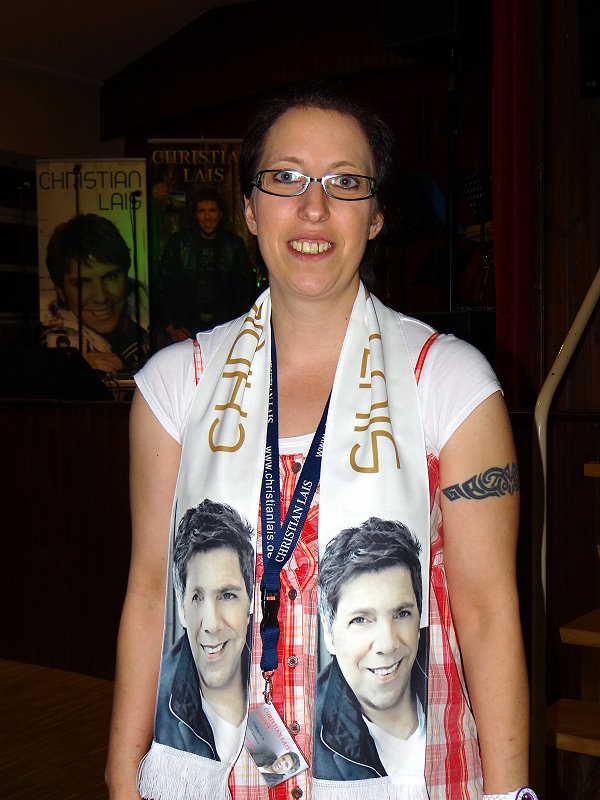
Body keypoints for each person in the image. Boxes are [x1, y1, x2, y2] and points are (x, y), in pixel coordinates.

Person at [106, 84, 532, 800]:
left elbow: (489, 613)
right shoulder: (176, 387)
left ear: (377, 214)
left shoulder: (449, 382)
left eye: (344, 182)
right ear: (249, 207)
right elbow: (152, 591)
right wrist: (124, 773)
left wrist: (512, 794)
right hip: (220, 774)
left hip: (415, 774)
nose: (313, 208)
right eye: (286, 177)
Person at [314, 518, 425, 780]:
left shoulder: (460, 681)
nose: (387, 644)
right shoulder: (301, 734)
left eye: (402, 613)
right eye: (360, 620)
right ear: (329, 634)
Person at [154, 499, 254, 763]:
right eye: (197, 597)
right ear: (181, 607)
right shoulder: (156, 707)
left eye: (227, 595)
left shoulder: (284, 674)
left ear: (251, 601)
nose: (211, 624)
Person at [44, 213, 149, 374]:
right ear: (61, 291)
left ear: (126, 277)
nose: (101, 297)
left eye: (110, 277)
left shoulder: (156, 329)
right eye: (82, 283)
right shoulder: (51, 349)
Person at [158, 187, 257, 341]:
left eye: (212, 210)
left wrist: (241, 328)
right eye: (202, 211)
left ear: (220, 214)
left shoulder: (234, 246)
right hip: (186, 327)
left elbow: (247, 290)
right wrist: (169, 325)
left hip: (224, 328)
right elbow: (161, 284)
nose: (207, 217)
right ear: (195, 215)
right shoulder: (179, 243)